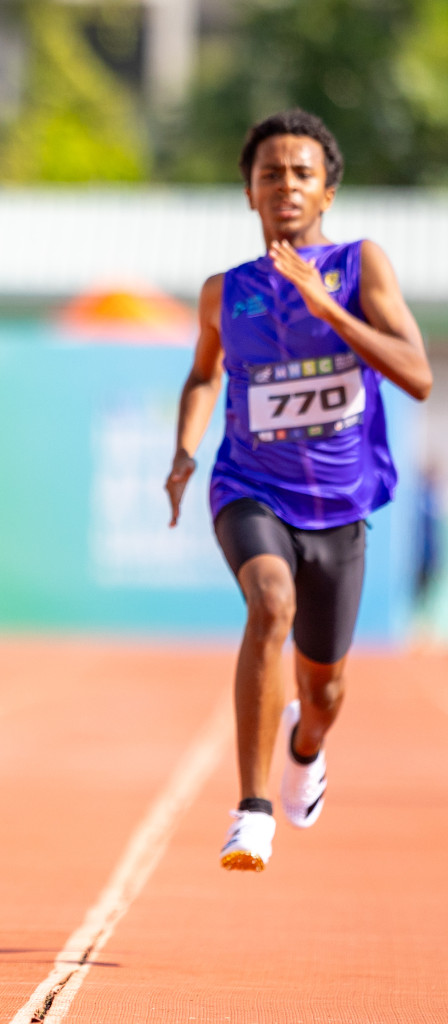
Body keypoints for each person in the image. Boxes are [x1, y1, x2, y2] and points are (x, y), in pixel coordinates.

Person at [166, 109, 430, 872]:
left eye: (302, 173)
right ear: (249, 192)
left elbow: (416, 375)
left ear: (328, 191)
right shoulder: (226, 292)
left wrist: (330, 310)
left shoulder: (361, 265)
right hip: (249, 486)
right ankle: (250, 812)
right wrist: (186, 451)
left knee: (326, 693)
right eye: (270, 172)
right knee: (270, 602)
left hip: (341, 506)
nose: (285, 184)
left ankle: (304, 745)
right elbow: (204, 373)